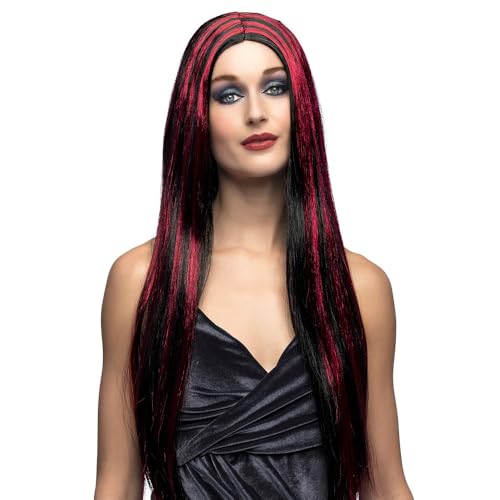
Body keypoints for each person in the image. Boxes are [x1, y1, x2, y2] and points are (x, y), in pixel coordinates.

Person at [94, 11, 413, 500]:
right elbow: (116, 483)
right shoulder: (142, 281)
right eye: (229, 94)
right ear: (195, 115)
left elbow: (385, 484)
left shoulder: (360, 288)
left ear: (301, 105)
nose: (256, 112)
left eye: (275, 88)